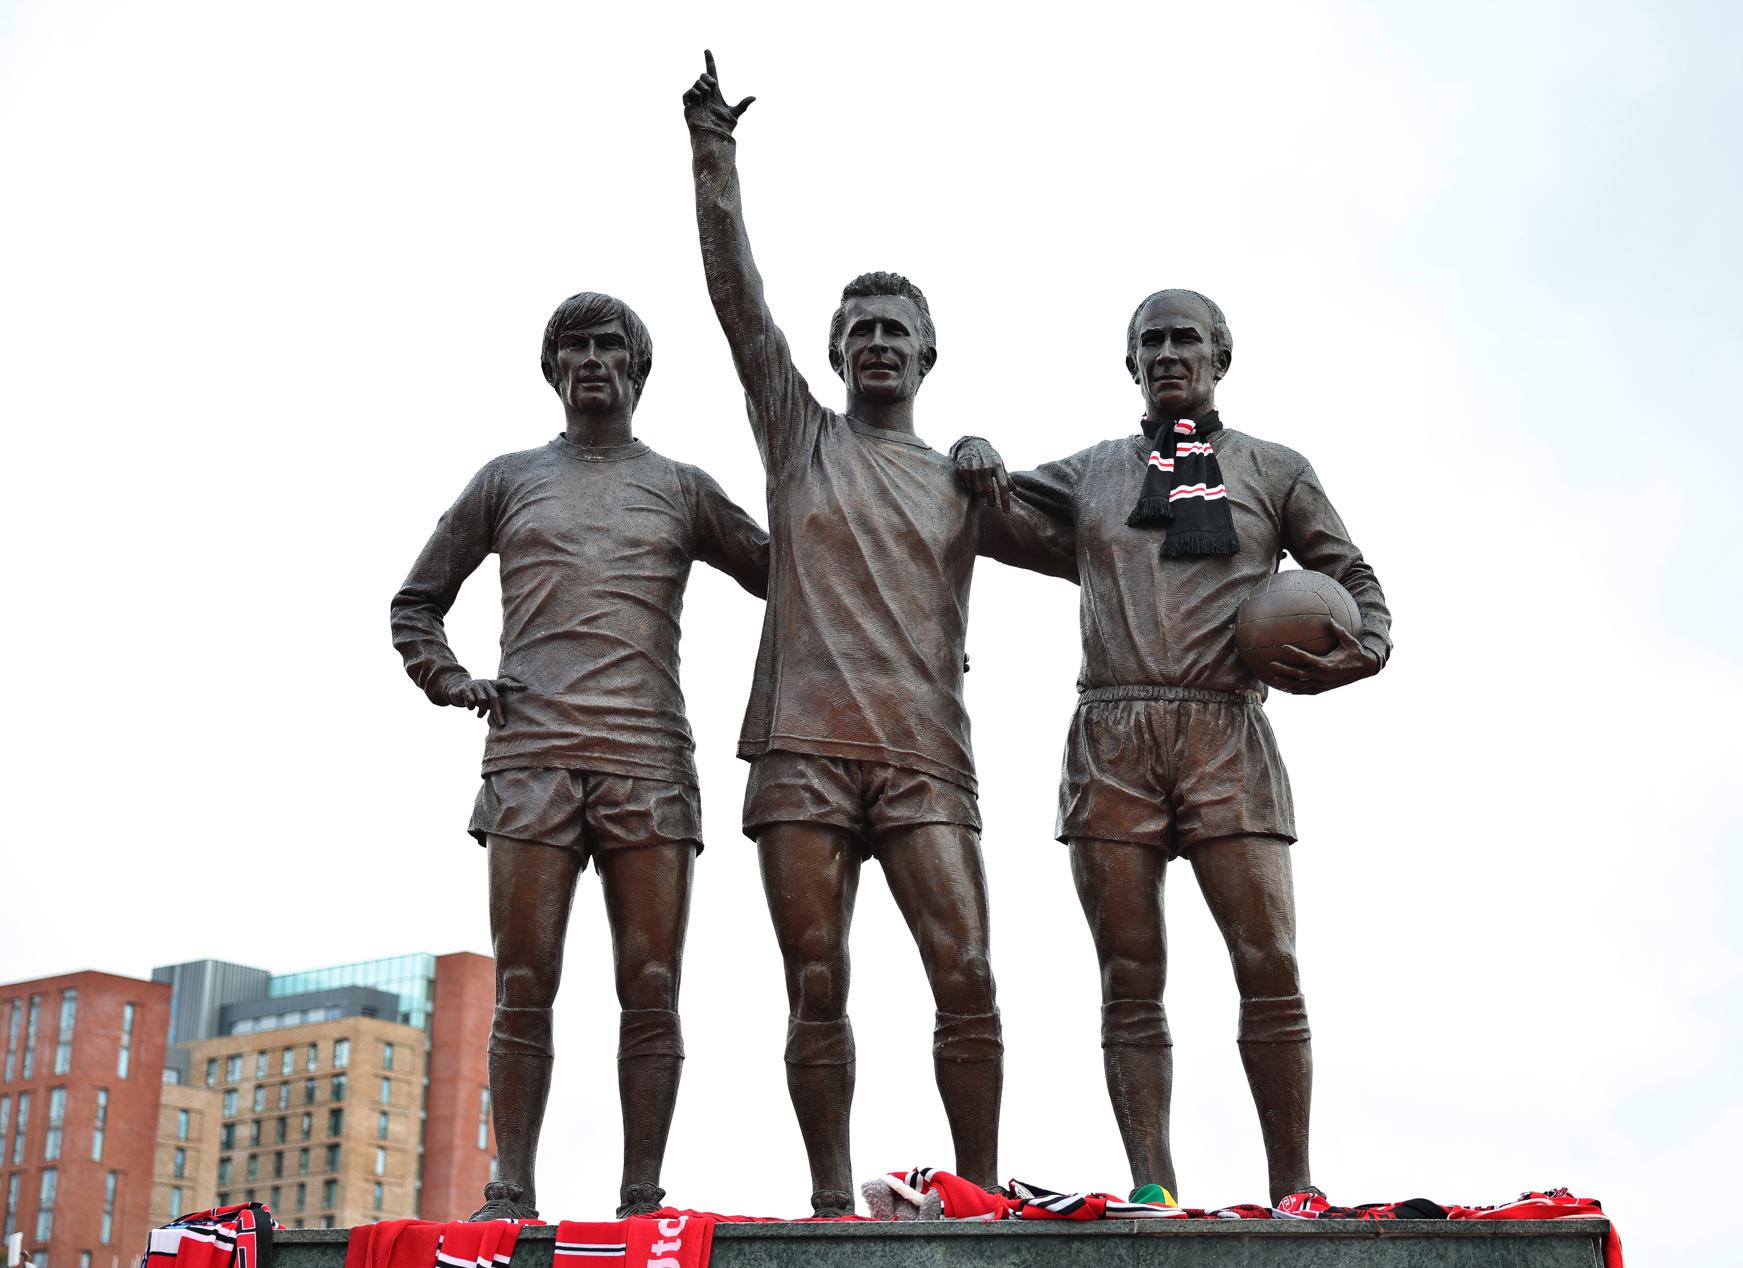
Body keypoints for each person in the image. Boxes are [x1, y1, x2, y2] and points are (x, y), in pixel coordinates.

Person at [682, 52, 1073, 1216]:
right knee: (817, 980)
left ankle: (980, 1188)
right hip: (801, 748)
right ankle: (829, 1200)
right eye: (860, 328)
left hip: (924, 754)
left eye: (898, 328)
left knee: (969, 976)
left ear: (928, 353)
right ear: (839, 349)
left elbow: (1087, 547)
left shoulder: (962, 481)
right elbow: (737, 298)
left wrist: (1001, 484)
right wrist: (714, 155)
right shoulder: (798, 434)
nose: (879, 342)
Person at [992, 287, 1391, 1204]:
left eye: (1186, 339)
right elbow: (989, 504)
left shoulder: (1275, 470)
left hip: (1225, 729)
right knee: (1129, 972)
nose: (1170, 353)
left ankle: (1294, 1183)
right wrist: (975, 459)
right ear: (1130, 364)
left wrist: (1361, 650)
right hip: (1112, 734)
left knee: (1270, 961)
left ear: (1222, 355)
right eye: (1151, 342)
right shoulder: (1091, 474)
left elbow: (1357, 579)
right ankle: (1151, 1186)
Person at [390, 292, 769, 1219]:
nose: (593, 359)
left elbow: (791, 579)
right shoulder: (507, 479)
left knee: (651, 985)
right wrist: (447, 679)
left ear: (637, 369)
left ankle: (643, 1195)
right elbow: (416, 601)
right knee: (523, 981)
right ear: (553, 369)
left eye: (610, 346)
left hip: (648, 760)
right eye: (575, 347)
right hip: (531, 760)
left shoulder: (682, 486)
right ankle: (508, 1186)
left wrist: (901, 602)